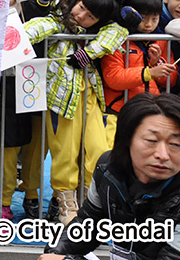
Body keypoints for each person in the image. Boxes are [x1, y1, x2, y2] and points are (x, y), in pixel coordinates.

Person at [24, 0, 126, 224]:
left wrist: (88, 54)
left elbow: (118, 31)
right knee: (65, 153)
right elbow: (36, 28)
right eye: (81, 7)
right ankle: (66, 204)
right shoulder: (58, 21)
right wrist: (16, 35)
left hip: (90, 98)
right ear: (76, 1)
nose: (81, 16)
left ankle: (93, 204)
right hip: (62, 100)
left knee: (100, 150)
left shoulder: (102, 31)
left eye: (90, 15)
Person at [40, 92, 180, 260]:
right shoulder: (107, 170)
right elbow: (86, 225)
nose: (163, 155)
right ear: (127, 139)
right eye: (151, 140)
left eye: (175, 144)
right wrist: (55, 253)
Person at [103, 0, 177, 147]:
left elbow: (170, 81)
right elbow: (113, 78)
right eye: (143, 18)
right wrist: (149, 72)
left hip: (150, 109)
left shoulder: (161, 39)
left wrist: (157, 64)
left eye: (155, 19)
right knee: (113, 152)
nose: (149, 25)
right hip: (117, 110)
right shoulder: (116, 39)